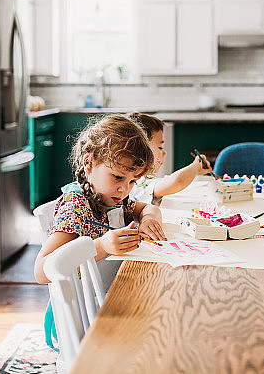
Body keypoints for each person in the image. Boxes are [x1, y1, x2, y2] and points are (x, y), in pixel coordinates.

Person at [34, 114, 166, 350]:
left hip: (111, 299)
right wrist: (102, 247)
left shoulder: (111, 197)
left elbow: (148, 208)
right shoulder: (77, 205)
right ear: (89, 163)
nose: (124, 189)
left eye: (133, 181)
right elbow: (42, 271)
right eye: (118, 177)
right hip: (86, 316)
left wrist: (148, 218)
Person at [126, 112, 214, 205]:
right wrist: (195, 166)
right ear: (141, 149)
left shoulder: (143, 178)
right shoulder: (135, 182)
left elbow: (171, 180)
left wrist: (195, 172)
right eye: (160, 147)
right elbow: (178, 181)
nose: (164, 153)